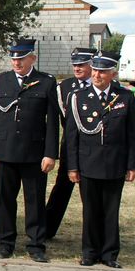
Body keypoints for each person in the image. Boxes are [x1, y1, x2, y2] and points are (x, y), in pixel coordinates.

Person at [66, 51, 135, 269]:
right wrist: (72, 167)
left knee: (110, 211)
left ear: (113, 74)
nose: (97, 75)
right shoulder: (78, 97)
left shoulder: (125, 97)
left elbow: (131, 133)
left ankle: (109, 254)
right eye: (95, 70)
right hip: (88, 163)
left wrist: (132, 164)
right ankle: (89, 252)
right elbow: (72, 136)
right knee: (90, 210)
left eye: (103, 71)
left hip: (115, 163)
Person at [0, 38, 59, 263]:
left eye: (22, 58)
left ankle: (36, 243)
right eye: (14, 58)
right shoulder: (1, 81)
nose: (17, 62)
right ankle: (5, 242)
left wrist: (50, 153)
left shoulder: (46, 82)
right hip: (6, 151)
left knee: (35, 200)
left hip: (33, 153)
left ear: (32, 58)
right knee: (5, 199)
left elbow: (52, 122)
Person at [44, 47, 95, 239]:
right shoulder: (64, 87)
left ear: (91, 65)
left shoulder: (98, 85)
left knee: (89, 194)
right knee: (62, 188)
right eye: (75, 65)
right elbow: (63, 119)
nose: (77, 68)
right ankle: (47, 229)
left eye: (81, 64)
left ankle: (92, 235)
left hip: (93, 148)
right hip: (70, 146)